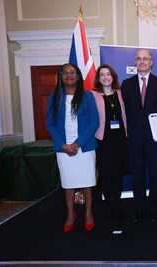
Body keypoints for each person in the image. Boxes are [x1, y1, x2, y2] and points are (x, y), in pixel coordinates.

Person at [46, 63, 99, 233]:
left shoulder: (88, 96)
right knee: (68, 183)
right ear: (60, 76)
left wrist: (78, 143)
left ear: (78, 76)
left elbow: (94, 122)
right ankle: (70, 214)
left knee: (87, 182)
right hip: (63, 147)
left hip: (84, 146)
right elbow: (50, 123)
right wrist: (63, 144)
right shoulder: (55, 96)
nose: (69, 75)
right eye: (65, 72)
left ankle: (89, 213)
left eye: (72, 72)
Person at [121, 49, 157, 222]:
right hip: (134, 140)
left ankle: (154, 208)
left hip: (155, 140)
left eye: (145, 59)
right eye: (139, 59)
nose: (142, 62)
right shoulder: (126, 85)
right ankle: (140, 208)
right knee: (137, 176)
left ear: (151, 62)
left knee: (156, 175)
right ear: (135, 62)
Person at [92, 64, 129, 221]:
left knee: (118, 175)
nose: (105, 77)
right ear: (98, 78)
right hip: (104, 140)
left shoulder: (121, 94)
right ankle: (108, 206)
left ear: (113, 77)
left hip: (120, 140)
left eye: (108, 74)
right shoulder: (93, 96)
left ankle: (118, 204)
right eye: (102, 75)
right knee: (107, 174)